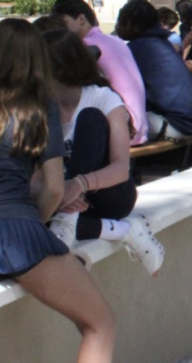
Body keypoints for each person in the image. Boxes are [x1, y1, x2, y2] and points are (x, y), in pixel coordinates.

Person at [0, 18, 117, 363]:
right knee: (101, 323)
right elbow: (53, 188)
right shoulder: (39, 104)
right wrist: (35, 227)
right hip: (17, 230)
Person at [42, 29, 164, 277]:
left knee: (90, 119)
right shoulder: (40, 108)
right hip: (63, 198)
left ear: (59, 69)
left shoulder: (102, 99)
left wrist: (79, 183)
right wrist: (58, 191)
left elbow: (121, 168)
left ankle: (68, 221)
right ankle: (124, 230)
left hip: (106, 193)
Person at [53, 0, 149, 145]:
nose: (58, 29)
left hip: (122, 131)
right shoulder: (116, 40)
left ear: (81, 19)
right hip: (140, 126)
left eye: (62, 23)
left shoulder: (84, 46)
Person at [118, 1, 192, 140]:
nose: (117, 27)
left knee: (112, 117)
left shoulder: (138, 48)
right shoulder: (163, 43)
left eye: (121, 22)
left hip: (176, 125)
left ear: (134, 25)